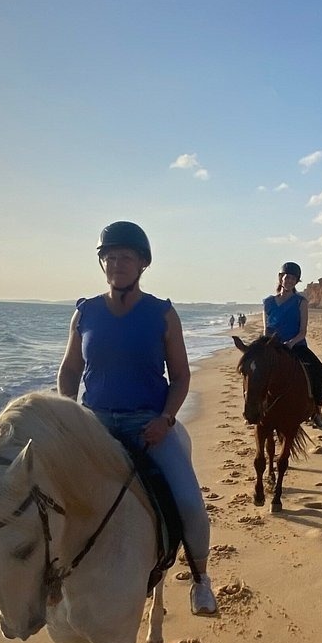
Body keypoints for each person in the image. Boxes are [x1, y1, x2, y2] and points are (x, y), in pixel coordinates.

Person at [57, 221, 218, 617]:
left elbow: (180, 376)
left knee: (190, 503)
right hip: (94, 425)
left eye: (125, 257)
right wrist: (71, 414)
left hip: (150, 426)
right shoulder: (84, 313)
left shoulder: (162, 314)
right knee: (45, 493)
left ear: (143, 264)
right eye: (109, 257)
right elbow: (69, 372)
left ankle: (200, 579)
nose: (116, 264)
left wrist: (166, 418)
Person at [263, 261, 322, 430]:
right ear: (280, 278)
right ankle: (253, 409)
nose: (290, 280)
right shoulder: (268, 302)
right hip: (274, 346)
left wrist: (291, 343)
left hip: (296, 346)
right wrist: (269, 347)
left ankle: (317, 412)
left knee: (321, 373)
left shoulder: (301, 302)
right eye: (287, 277)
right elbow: (266, 330)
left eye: (294, 278)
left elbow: (302, 331)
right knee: (254, 371)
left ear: (296, 281)